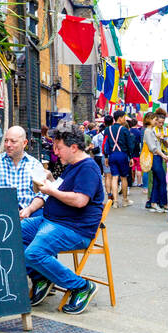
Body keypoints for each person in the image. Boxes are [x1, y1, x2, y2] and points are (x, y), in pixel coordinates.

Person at [18, 124, 105, 315]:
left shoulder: (88, 168)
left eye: (59, 148)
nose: (56, 153)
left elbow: (81, 201)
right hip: (51, 221)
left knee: (33, 253)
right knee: (11, 233)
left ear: (73, 147)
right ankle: (41, 276)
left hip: (74, 228)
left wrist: (51, 190)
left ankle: (81, 286)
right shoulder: (71, 167)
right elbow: (52, 193)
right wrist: (33, 204)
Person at [0, 125, 48, 208]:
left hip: (30, 213)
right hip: (3, 213)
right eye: (6, 141)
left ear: (24, 143)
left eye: (13, 141)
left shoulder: (34, 165)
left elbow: (42, 194)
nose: (8, 145)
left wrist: (29, 210)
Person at [103, 110, 134, 208]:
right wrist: (131, 157)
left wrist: (106, 156)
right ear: (120, 118)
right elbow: (130, 145)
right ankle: (125, 200)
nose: (125, 119)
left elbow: (105, 144)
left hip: (112, 155)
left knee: (114, 177)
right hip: (122, 155)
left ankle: (115, 202)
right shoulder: (124, 130)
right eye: (124, 117)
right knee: (124, 177)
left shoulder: (108, 129)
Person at [144, 109, 168, 211]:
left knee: (157, 181)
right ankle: (163, 203)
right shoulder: (148, 131)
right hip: (155, 158)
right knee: (161, 180)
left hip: (157, 157)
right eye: (154, 119)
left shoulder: (151, 131)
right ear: (149, 120)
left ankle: (154, 202)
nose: (156, 121)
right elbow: (153, 148)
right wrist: (163, 155)